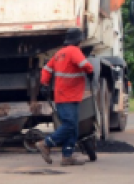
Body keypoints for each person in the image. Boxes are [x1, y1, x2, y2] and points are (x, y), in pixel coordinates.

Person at [36, 28, 94, 166]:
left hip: (61, 95)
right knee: (70, 125)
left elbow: (46, 69)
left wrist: (44, 83)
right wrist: (90, 71)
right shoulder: (74, 51)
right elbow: (85, 65)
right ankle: (46, 143)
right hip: (70, 95)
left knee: (72, 127)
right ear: (78, 40)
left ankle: (67, 156)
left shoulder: (59, 53)